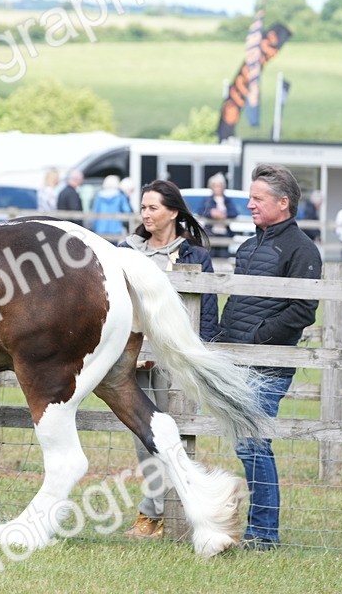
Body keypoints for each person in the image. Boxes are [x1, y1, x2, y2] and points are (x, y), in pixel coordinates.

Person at [216, 163, 321, 550]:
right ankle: (260, 530)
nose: (250, 204)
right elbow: (238, 300)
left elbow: (302, 310)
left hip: (268, 365)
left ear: (283, 202)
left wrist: (257, 338)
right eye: (250, 197)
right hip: (235, 360)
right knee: (246, 443)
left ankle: (263, 533)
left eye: (257, 199)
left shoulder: (301, 249)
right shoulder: (249, 245)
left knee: (252, 444)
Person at [116, 179, 218, 539]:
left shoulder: (194, 256)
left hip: (171, 358)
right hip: (129, 356)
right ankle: (152, 513)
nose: (146, 214)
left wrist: (195, 356)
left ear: (173, 211)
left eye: (153, 207)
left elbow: (206, 313)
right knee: (144, 437)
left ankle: (176, 513)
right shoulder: (125, 251)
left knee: (176, 435)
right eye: (143, 208)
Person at [196, 173, 239, 258]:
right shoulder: (207, 200)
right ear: (211, 187)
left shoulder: (227, 200)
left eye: (219, 185)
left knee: (223, 257)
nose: (217, 188)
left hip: (224, 233)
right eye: (215, 185)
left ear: (223, 186)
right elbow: (200, 211)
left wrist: (224, 214)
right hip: (211, 233)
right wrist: (211, 213)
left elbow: (234, 212)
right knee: (209, 256)